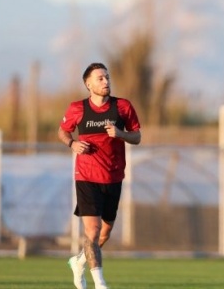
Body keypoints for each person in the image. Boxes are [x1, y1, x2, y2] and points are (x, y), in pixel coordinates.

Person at [58, 62, 141, 289]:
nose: (106, 82)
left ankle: (79, 262)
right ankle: (100, 283)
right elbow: (63, 130)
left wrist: (120, 133)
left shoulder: (123, 107)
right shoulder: (77, 108)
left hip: (113, 177)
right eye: (100, 79)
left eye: (107, 77)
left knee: (104, 234)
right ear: (88, 84)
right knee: (92, 231)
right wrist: (72, 143)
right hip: (86, 176)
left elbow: (137, 137)